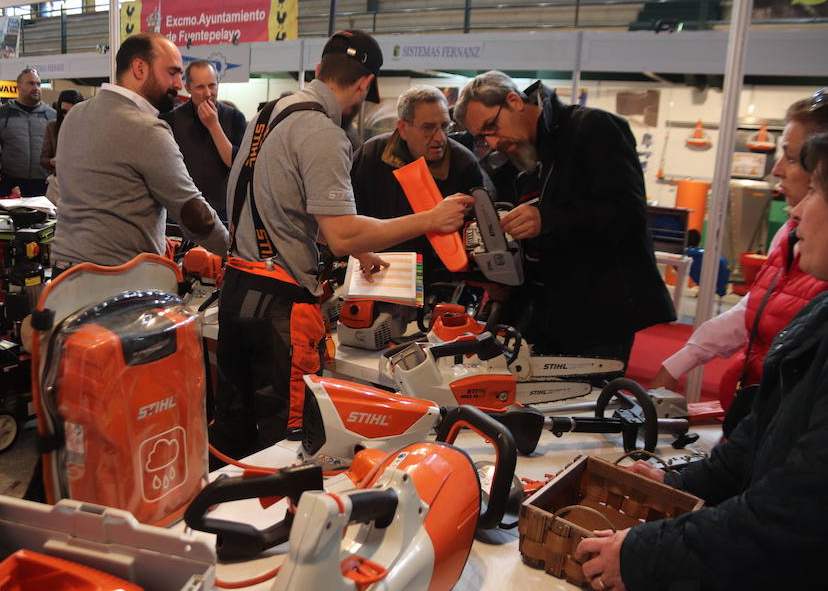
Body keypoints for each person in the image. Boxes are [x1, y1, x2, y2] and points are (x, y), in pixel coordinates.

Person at [576, 129, 828, 590]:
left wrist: (641, 554)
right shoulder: (820, 312)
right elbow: (756, 446)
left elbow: (794, 513)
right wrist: (675, 480)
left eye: (813, 191)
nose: (794, 211)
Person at [215, 30, 474, 457]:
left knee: (233, 432)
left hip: (238, 291)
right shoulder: (321, 131)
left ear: (320, 70)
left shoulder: (268, 114)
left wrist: (359, 250)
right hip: (279, 312)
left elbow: (286, 207)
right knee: (287, 443)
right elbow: (341, 233)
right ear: (364, 84)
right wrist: (431, 218)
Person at [453, 71, 675, 364]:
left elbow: (627, 213)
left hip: (599, 313)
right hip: (545, 313)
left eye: (491, 127)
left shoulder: (591, 128)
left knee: (585, 405)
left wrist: (547, 219)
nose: (492, 142)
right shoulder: (518, 155)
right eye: (482, 137)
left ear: (514, 101)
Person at [648, 90, 828, 410]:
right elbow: (752, 311)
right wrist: (680, 362)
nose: (776, 171)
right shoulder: (787, 236)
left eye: (789, 156)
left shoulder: (815, 258)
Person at [51, 33, 229, 271]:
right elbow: (194, 214)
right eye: (172, 72)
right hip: (117, 279)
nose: (178, 84)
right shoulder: (146, 129)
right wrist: (236, 252)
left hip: (65, 272)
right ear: (139, 68)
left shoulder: (75, 115)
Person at [350, 84, 487, 284]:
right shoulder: (371, 155)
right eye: (428, 128)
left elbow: (477, 231)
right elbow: (348, 218)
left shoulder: (463, 163)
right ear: (403, 128)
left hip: (441, 281)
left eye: (444, 126)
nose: (440, 137)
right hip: (376, 273)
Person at [162, 60, 246, 220]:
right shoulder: (171, 120)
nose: (208, 93)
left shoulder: (234, 117)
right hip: (181, 212)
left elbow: (236, 163)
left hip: (222, 212)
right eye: (200, 87)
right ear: (188, 88)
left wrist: (214, 126)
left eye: (212, 85)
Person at [0, 68, 56, 197]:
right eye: (31, 83)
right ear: (19, 86)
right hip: (10, 183)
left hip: (44, 183)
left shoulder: (51, 115)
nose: (36, 88)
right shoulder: (0, 114)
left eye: (38, 84)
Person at [40, 89, 84, 205]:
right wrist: (52, 161)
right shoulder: (52, 127)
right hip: (58, 184)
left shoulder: (88, 128)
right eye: (64, 112)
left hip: (81, 184)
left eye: (72, 111)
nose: (68, 116)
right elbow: (43, 159)